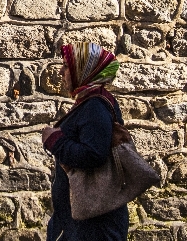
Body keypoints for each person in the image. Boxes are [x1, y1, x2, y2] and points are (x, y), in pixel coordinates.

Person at [41, 42, 127, 241]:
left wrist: (55, 140)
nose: (61, 72)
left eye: (66, 66)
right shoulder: (91, 102)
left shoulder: (95, 107)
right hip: (82, 220)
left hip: (92, 225)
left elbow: (94, 154)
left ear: (83, 70)